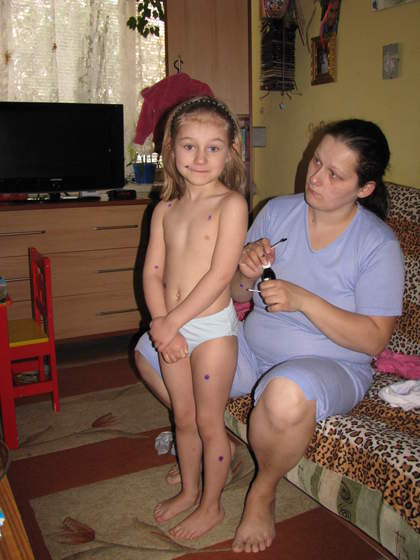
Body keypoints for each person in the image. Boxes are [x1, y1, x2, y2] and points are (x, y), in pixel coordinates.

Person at [135, 118, 405, 551]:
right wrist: (245, 272)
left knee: (283, 393)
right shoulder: (278, 211)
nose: (315, 178)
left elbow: (374, 340)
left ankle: (262, 491)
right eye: (316, 162)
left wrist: (304, 300)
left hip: (333, 363)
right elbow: (236, 292)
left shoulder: (377, 244)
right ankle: (217, 441)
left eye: (335, 175)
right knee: (151, 351)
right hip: (252, 346)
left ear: (364, 188)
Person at [135, 95, 248, 540]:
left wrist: (170, 323)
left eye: (213, 148)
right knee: (183, 418)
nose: (200, 159)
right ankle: (190, 489)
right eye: (189, 146)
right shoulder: (164, 209)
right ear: (171, 149)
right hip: (172, 325)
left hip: (213, 330)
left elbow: (220, 275)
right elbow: (152, 272)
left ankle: (212, 505)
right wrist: (163, 323)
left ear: (230, 151)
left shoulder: (231, 205)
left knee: (207, 421)